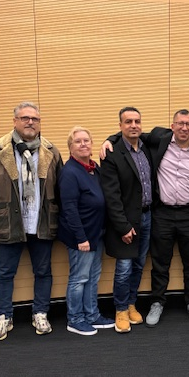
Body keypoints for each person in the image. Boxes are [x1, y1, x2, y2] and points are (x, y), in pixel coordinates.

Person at [103, 110, 189, 327]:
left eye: (188, 124)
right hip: (162, 214)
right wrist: (109, 139)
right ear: (172, 126)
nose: (184, 128)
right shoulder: (159, 139)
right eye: (180, 123)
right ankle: (157, 302)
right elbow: (132, 133)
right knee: (160, 262)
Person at [0, 101, 63, 341]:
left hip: (42, 222)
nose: (30, 122)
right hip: (8, 222)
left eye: (35, 119)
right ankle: (3, 317)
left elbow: (61, 190)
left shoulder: (51, 151)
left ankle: (40, 313)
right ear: (15, 121)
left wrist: (62, 224)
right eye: (25, 118)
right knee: (4, 272)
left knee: (43, 271)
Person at [58, 126, 114, 336]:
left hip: (96, 234)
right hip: (81, 237)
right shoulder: (70, 172)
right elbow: (69, 209)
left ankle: (92, 315)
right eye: (78, 141)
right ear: (70, 147)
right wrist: (81, 238)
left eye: (86, 140)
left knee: (92, 277)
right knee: (79, 278)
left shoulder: (93, 168)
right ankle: (75, 319)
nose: (83, 144)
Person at [100, 107, 153, 333]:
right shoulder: (112, 153)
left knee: (139, 264)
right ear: (120, 125)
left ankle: (131, 303)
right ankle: (120, 309)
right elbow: (111, 195)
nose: (133, 125)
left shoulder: (147, 147)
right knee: (124, 267)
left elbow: (165, 133)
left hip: (147, 216)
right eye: (128, 121)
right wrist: (123, 226)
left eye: (137, 121)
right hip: (125, 221)